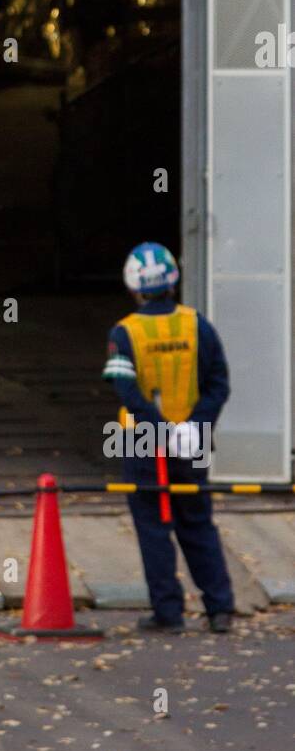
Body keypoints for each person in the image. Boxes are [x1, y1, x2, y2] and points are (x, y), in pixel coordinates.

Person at [102, 242, 235, 634]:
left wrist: (160, 430)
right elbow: (218, 384)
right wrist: (193, 425)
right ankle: (220, 610)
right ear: (173, 280)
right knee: (197, 523)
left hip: (139, 443)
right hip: (193, 442)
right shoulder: (198, 325)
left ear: (133, 285)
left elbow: (126, 390)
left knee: (154, 527)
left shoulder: (125, 332)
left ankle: (169, 614)